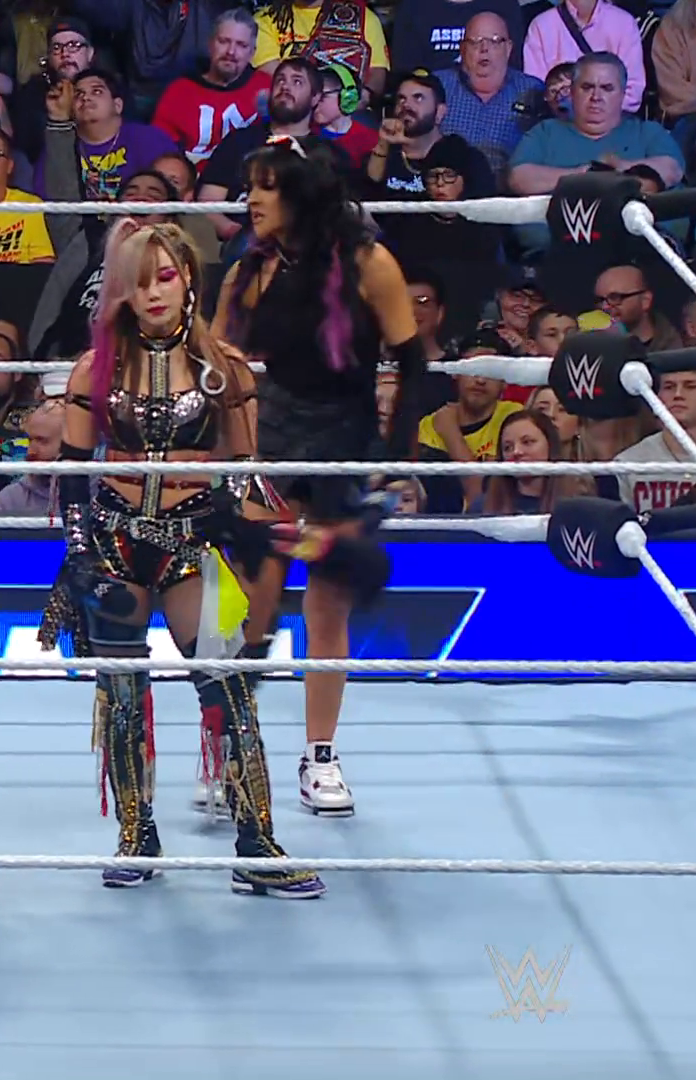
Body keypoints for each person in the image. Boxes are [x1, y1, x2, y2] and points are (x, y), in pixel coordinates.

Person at [43, 220, 324, 899]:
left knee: (226, 687)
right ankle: (135, 834)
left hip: (193, 542)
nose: (153, 293)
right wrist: (77, 558)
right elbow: (73, 474)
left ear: (189, 279)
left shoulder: (224, 368)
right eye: (139, 282)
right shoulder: (95, 368)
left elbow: (248, 472)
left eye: (165, 277)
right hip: (113, 543)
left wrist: (253, 540)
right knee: (121, 694)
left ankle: (257, 842)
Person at [214, 135, 421, 818]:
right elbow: (218, 367)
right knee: (253, 607)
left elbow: (412, 365)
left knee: (328, 605)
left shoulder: (369, 262)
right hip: (272, 442)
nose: (251, 198)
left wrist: (393, 460)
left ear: (300, 192)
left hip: (343, 442)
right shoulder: (250, 271)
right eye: (249, 185)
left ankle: (320, 755)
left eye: (266, 186)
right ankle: (229, 748)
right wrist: (226, 452)